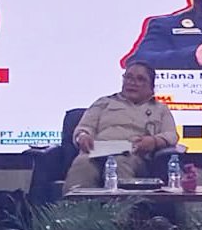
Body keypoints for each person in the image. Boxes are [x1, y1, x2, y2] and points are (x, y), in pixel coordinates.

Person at [64, 61, 180, 190]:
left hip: (133, 155)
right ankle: (75, 203)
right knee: (82, 163)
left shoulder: (160, 109)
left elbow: (171, 135)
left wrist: (154, 141)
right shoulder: (104, 102)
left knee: (120, 163)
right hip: (96, 151)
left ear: (151, 87)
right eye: (128, 77)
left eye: (140, 79)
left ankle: (123, 204)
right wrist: (83, 136)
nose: (132, 83)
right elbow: (85, 127)